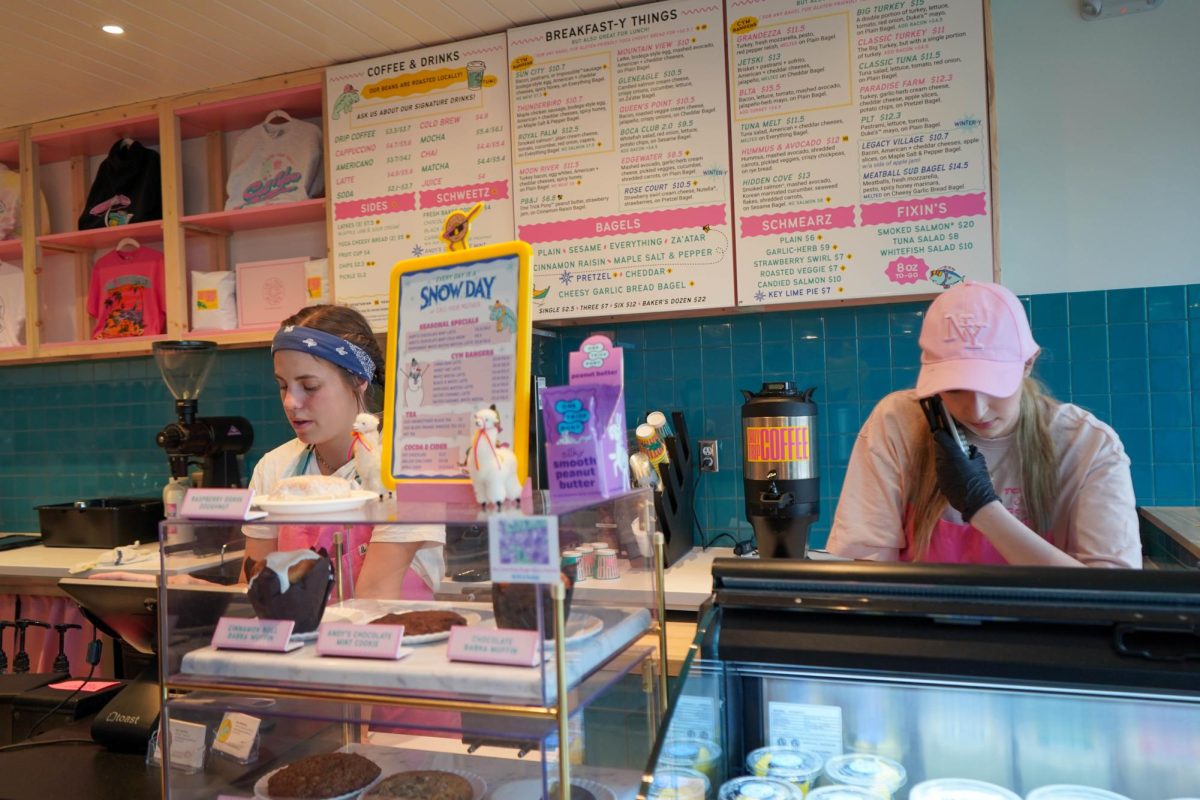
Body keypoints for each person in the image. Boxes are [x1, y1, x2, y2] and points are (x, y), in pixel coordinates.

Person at [827, 280, 1141, 568]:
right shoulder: (897, 423)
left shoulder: (1087, 446)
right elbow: (872, 571)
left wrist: (983, 509)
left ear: (1028, 363)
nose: (976, 410)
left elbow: (1114, 599)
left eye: (993, 386)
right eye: (954, 388)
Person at [244, 304, 445, 598]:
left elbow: (375, 596)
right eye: (283, 386)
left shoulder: (405, 463)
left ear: (359, 380)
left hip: (390, 637)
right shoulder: (273, 468)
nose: (290, 402)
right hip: (299, 641)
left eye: (309, 386)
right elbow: (257, 588)